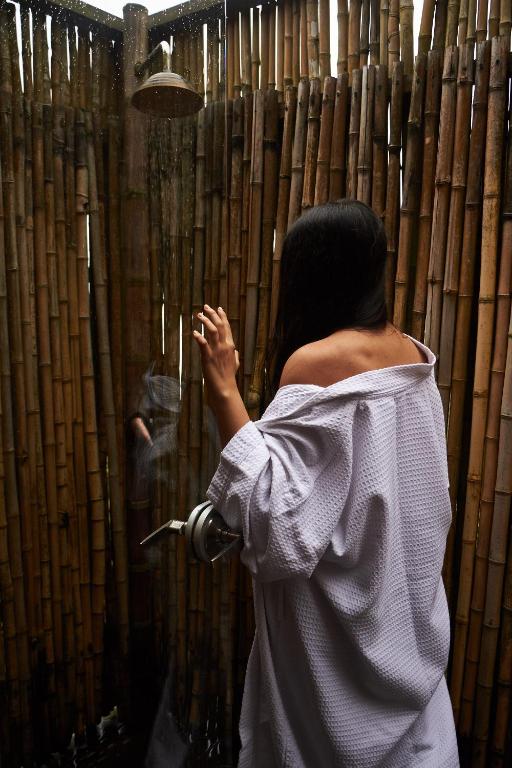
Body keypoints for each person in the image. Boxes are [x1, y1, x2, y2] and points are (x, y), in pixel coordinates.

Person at [192, 199, 460, 767]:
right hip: (408, 650)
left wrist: (224, 392)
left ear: (308, 277)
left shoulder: (314, 364)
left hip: (337, 686)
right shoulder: (413, 356)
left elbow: (275, 527)